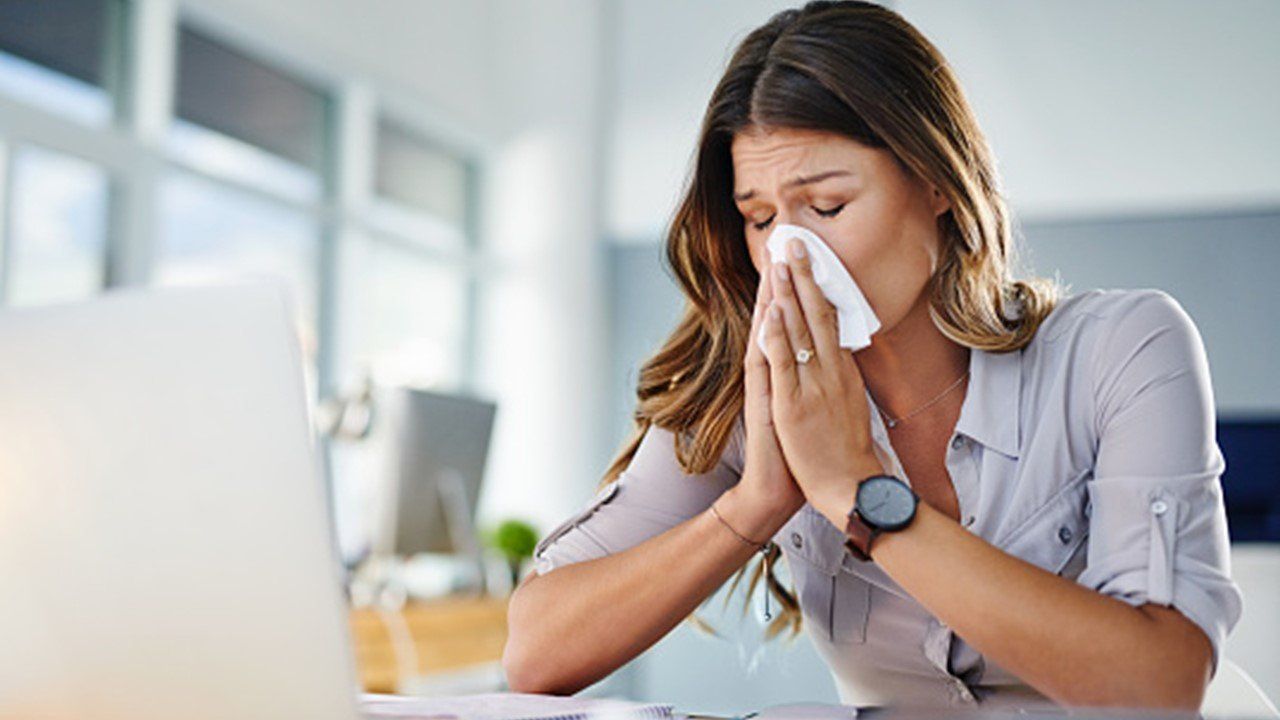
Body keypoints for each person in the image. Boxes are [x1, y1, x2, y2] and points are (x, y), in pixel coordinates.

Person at [502, 0, 1242, 710]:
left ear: (937, 182)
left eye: (827, 207)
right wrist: (754, 504)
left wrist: (861, 494)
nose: (791, 256)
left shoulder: (1122, 350)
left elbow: (1161, 687)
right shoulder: (752, 397)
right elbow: (537, 652)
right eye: (760, 219)